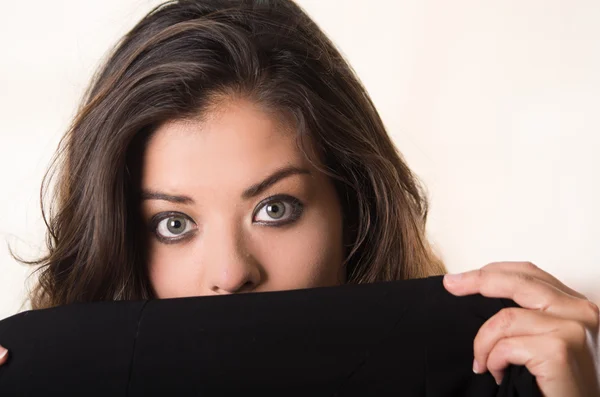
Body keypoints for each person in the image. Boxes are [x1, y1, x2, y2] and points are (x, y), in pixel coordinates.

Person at [0, 0, 598, 395]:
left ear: (354, 213)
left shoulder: (493, 364)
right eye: (174, 224)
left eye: (274, 209)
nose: (232, 274)